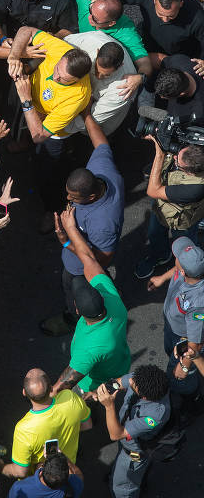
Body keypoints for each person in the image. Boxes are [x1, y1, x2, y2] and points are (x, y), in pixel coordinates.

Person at [40, 111, 124, 336]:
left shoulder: (104, 222)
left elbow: (103, 259)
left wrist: (67, 239)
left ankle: (73, 318)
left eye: (73, 198)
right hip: (75, 247)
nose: (68, 200)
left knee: (75, 290)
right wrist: (87, 115)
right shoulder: (100, 171)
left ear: (92, 197)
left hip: (80, 268)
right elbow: (101, 145)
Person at [8, 27, 91, 229]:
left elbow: (40, 135)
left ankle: (51, 210)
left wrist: (26, 99)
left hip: (52, 133)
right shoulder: (60, 50)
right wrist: (14, 57)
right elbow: (25, 30)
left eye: (63, 79)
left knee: (49, 173)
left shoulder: (78, 96)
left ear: (77, 80)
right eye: (56, 70)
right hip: (33, 109)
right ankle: (23, 144)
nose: (55, 78)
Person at [44, 0, 152, 100]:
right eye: (90, 11)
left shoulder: (127, 32)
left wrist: (139, 78)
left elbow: (145, 64)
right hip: (74, 39)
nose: (89, 18)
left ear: (112, 23)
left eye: (95, 19)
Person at [51, 206, 130, 394]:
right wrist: (68, 237)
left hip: (94, 384)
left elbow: (62, 386)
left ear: (77, 309)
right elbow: (89, 259)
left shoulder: (88, 351)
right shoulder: (112, 300)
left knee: (87, 403)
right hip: (119, 362)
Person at [0, 368, 91, 479]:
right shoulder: (70, 397)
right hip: (68, 466)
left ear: (24, 393)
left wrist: (0, 466)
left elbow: (20, 472)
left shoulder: (24, 429)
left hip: (41, 477)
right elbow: (87, 425)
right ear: (51, 388)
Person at [97, 365, 171, 498]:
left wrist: (109, 406)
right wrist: (101, 391)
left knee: (123, 487)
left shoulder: (155, 414)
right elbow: (118, 382)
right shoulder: (143, 378)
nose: (130, 381)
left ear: (144, 397)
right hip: (127, 439)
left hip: (134, 452)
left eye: (133, 384)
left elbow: (116, 434)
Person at [136, 136, 204, 279]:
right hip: (161, 209)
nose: (173, 157)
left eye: (177, 161)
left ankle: (189, 272)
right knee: (154, 234)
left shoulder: (196, 187)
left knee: (186, 249)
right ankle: (160, 256)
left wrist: (159, 155)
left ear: (189, 172)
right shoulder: (193, 152)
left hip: (182, 222)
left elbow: (152, 191)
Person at [95, 0, 204, 71]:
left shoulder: (198, 18)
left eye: (171, 16)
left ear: (181, 4)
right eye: (160, 14)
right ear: (153, 0)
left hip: (178, 54)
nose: (165, 20)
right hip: (149, 40)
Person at [147, 236, 204, 404]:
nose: (176, 259)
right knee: (169, 353)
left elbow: (195, 343)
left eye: (177, 258)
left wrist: (185, 366)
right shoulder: (193, 270)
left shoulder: (198, 305)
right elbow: (178, 269)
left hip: (183, 339)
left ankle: (191, 398)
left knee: (179, 377)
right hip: (172, 328)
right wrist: (162, 278)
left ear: (185, 272)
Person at [64, 33, 136, 134]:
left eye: (106, 75)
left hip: (99, 126)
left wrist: (63, 127)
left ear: (120, 66)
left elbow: (88, 120)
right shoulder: (90, 40)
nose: (98, 77)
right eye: (97, 70)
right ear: (97, 52)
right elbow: (65, 41)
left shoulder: (123, 89)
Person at [7, 453, 84, 498]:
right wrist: (64, 458)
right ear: (67, 476)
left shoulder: (19, 487)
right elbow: (79, 474)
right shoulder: (74, 485)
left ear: (41, 472)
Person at [154, 54, 204, 122]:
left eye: (165, 96)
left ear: (182, 93)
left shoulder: (196, 114)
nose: (161, 97)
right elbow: (159, 59)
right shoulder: (178, 61)